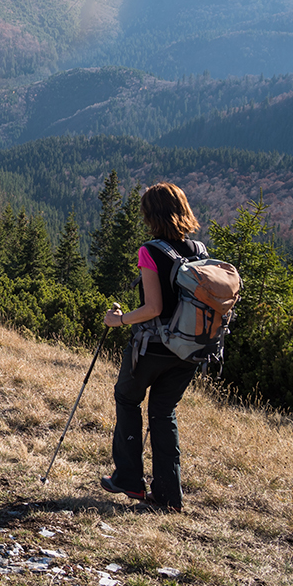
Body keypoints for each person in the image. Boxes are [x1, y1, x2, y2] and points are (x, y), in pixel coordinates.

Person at [100, 181, 205, 513]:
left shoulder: (151, 251)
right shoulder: (199, 251)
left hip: (154, 346)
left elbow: (153, 308)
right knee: (163, 413)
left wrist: (119, 320)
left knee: (127, 398)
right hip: (188, 351)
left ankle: (129, 479)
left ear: (151, 214)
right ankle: (169, 497)